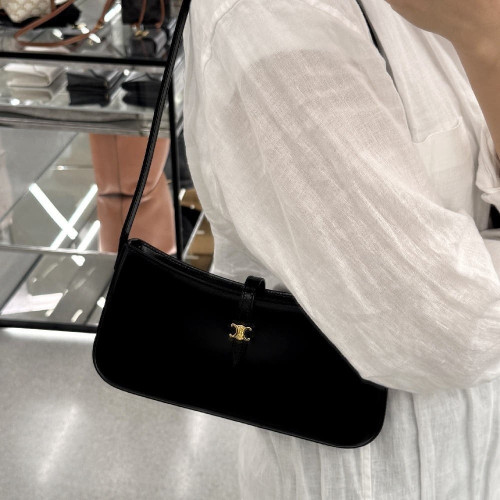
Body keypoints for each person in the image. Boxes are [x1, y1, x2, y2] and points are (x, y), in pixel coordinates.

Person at [181, 0, 500, 497]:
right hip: (371, 467)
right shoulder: (266, 16)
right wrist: (487, 40)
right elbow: (439, 328)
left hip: (479, 442)